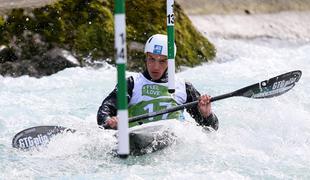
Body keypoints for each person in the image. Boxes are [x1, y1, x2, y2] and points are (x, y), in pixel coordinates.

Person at [97, 34, 218, 130]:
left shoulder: (184, 87)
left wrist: (207, 115)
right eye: (152, 59)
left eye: (162, 61)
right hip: (136, 137)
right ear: (146, 57)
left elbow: (212, 129)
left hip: (171, 142)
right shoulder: (131, 84)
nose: (155, 67)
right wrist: (109, 121)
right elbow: (105, 110)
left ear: (170, 62)